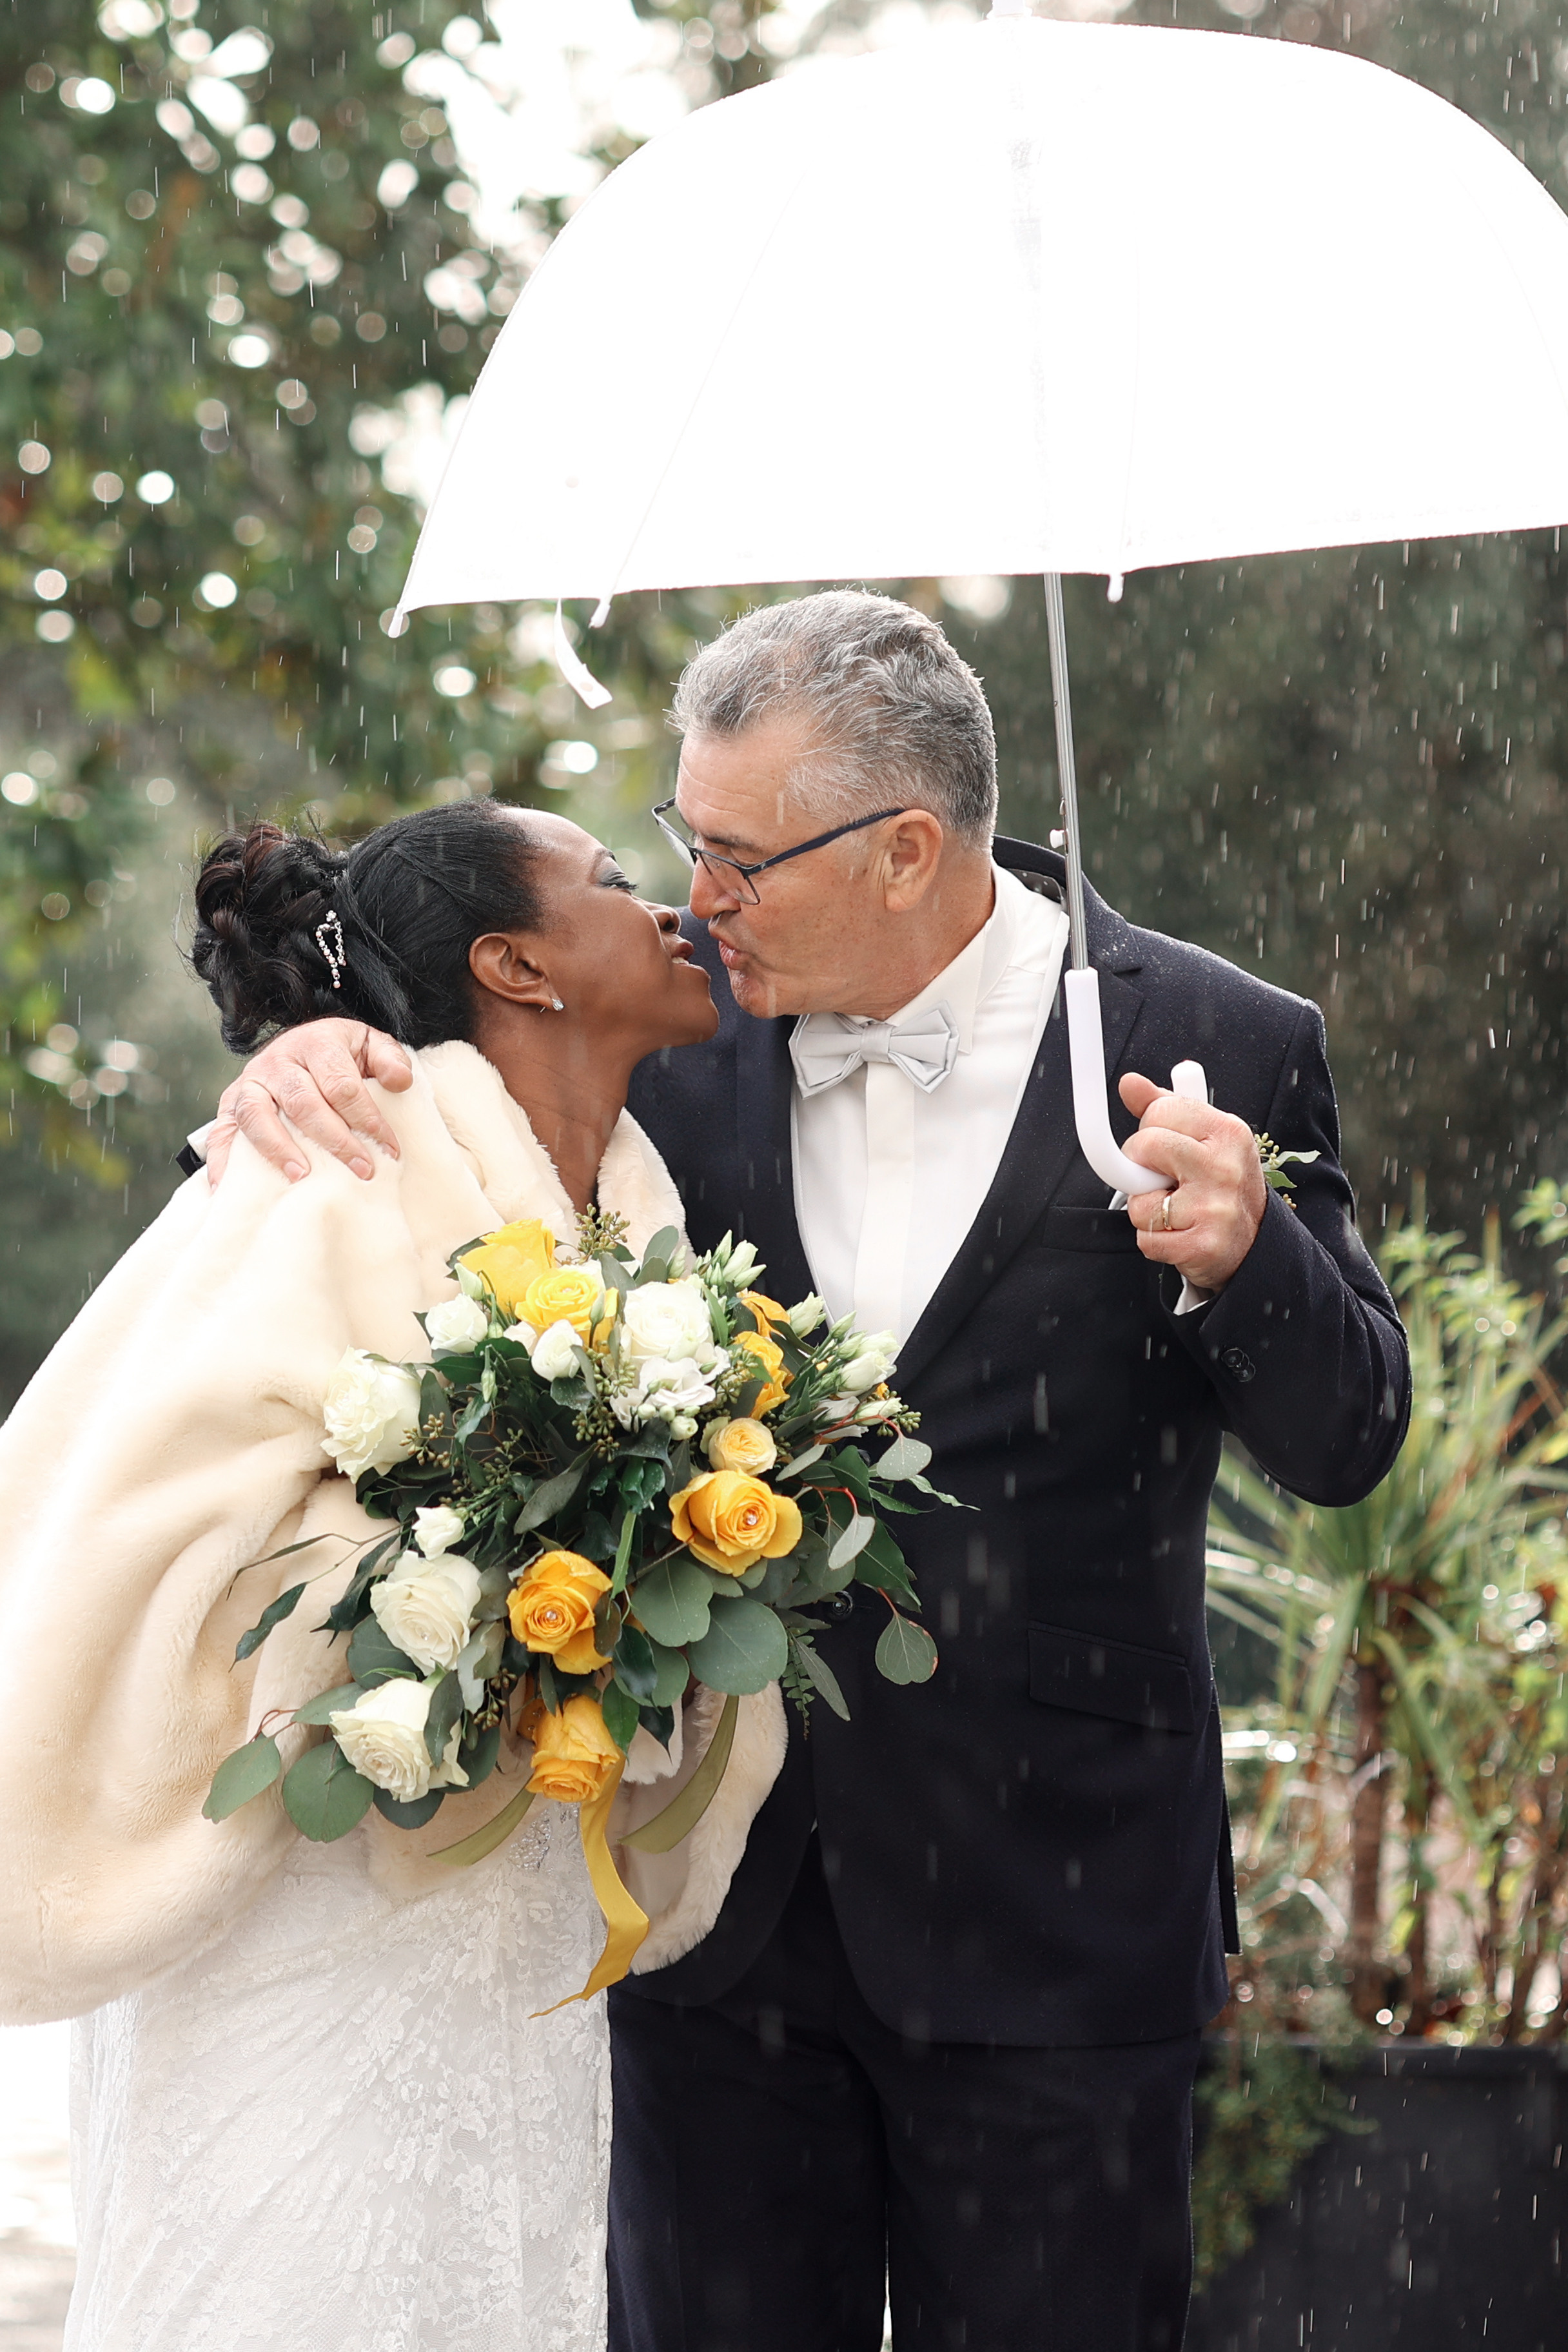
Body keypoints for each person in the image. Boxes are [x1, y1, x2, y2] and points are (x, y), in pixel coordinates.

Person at [204, 591, 1412, 2352]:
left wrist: (1251, 1259)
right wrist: (300, 1055)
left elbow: (1353, 1434)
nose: (697, 901)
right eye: (685, 845)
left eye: (742, 860)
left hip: (1061, 1925)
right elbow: (429, 1054)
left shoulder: (1220, 1038)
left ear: (910, 846)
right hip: (720, 1914)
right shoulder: (665, 1048)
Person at [0, 800, 788, 2352]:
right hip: (304, 1899)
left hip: (515, 1915)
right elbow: (137, 1503)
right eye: (617, 885)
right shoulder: (335, 1150)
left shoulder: (634, 1189)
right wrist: (436, 1590)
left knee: (489, 2275)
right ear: (517, 963)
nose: (672, 910)